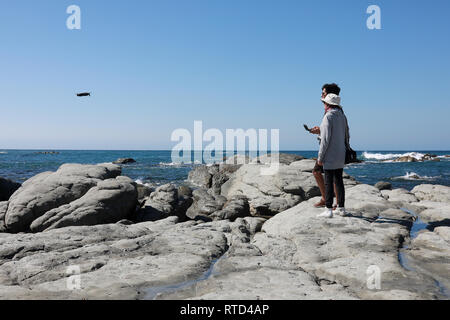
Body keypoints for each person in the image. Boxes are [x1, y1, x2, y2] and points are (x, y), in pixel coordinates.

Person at [315, 93, 348, 218]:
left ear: (327, 104)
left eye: (324, 103)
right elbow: (346, 135)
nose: (323, 105)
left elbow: (325, 139)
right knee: (339, 181)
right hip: (341, 153)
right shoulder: (342, 116)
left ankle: (328, 209)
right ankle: (341, 207)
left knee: (328, 181)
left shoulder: (328, 116)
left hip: (330, 154)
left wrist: (320, 157)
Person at [310, 83, 341, 208]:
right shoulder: (332, 110)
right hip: (332, 148)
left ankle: (337, 203)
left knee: (332, 176)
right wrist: (320, 130)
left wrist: (321, 156)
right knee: (318, 172)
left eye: (323, 93)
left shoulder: (333, 111)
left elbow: (332, 133)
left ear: (329, 95)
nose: (321, 95)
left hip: (330, 149)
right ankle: (326, 198)